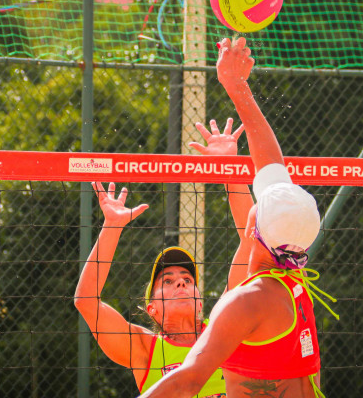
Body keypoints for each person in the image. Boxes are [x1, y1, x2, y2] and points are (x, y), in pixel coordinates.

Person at [138, 37, 338, 398]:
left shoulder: (244, 303)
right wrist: (237, 87)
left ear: (251, 226)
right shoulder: (293, 282)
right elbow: (272, 166)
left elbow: (187, 381)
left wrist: (235, 84)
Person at [73, 118, 254, 397]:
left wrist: (230, 167)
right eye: (167, 280)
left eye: (186, 278)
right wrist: (112, 225)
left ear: (199, 300)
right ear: (152, 308)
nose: (180, 283)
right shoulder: (145, 349)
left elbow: (252, 239)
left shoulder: (224, 329)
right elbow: (86, 301)